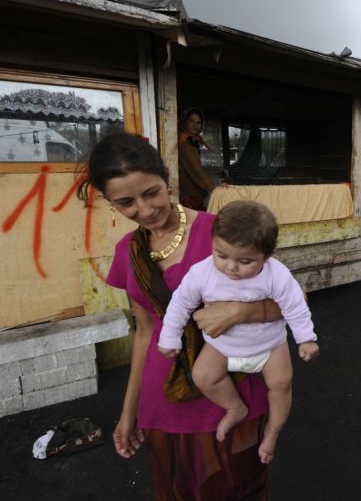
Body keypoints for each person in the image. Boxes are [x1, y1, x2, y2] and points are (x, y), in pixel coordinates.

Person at [77, 132, 282, 500]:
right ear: (110, 202)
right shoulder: (128, 252)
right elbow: (145, 334)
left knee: (240, 489)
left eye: (151, 193)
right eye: (126, 203)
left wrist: (240, 311)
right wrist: (129, 413)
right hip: (165, 399)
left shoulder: (223, 232)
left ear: (167, 178)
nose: (145, 210)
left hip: (231, 391)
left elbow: (292, 302)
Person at [158, 200, 319, 464]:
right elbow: (180, 304)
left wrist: (306, 338)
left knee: (281, 385)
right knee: (203, 376)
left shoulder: (276, 274)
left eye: (245, 261)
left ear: (267, 255)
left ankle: (273, 433)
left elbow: (295, 305)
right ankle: (235, 407)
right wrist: (169, 336)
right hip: (222, 347)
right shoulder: (201, 273)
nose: (231, 267)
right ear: (213, 243)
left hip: (270, 346)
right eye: (221, 255)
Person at [178, 107, 217, 210]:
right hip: (189, 194)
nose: (195, 126)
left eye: (198, 122)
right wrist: (214, 188)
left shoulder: (191, 139)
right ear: (185, 122)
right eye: (192, 121)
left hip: (191, 192)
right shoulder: (185, 141)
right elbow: (195, 168)